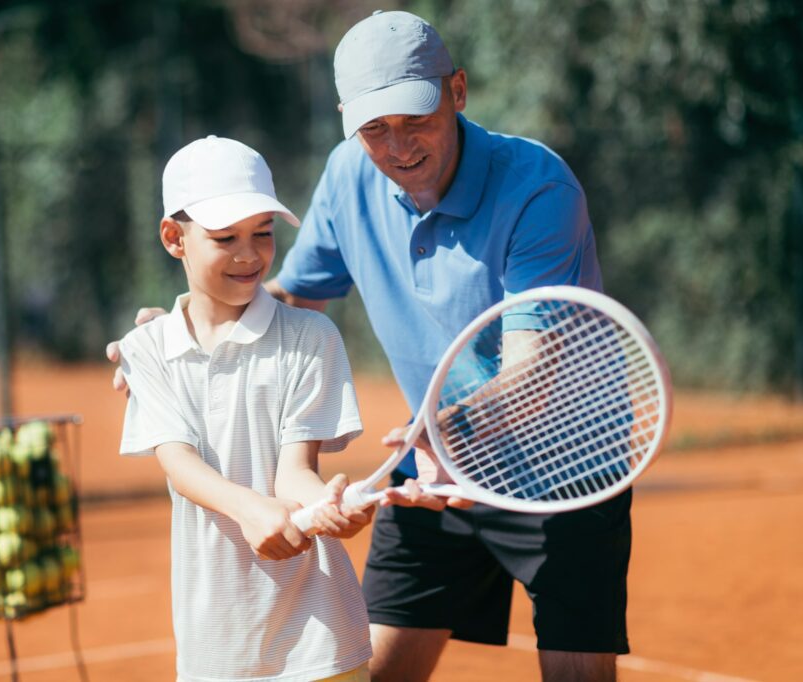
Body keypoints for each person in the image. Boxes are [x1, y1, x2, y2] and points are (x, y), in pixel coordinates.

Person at [109, 11, 630, 682]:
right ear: (347, 121)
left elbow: (533, 371)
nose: (398, 147)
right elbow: (284, 303)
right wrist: (182, 329)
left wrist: (444, 434)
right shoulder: (349, 175)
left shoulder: (539, 190)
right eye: (375, 128)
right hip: (431, 472)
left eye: (417, 120)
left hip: (563, 473)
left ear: (458, 92)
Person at [117, 134, 374, 682]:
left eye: (263, 233)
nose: (250, 254)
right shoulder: (144, 348)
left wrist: (327, 506)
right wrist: (248, 509)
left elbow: (295, 473)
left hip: (321, 642)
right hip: (217, 647)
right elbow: (180, 464)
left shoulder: (312, 337)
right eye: (225, 237)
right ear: (174, 238)